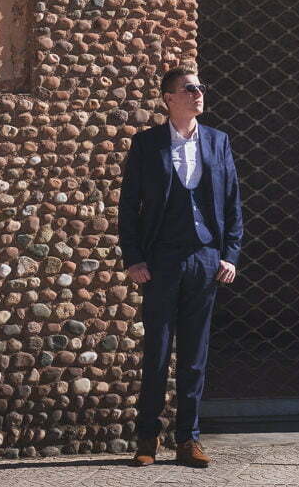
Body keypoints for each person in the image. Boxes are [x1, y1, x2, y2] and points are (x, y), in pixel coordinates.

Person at [118, 67, 243, 468]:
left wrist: (230, 255)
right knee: (157, 350)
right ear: (169, 99)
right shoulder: (146, 144)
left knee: (195, 354)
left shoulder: (218, 142)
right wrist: (134, 258)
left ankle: (188, 440)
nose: (198, 93)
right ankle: (147, 439)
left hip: (205, 257)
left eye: (201, 88)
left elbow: (232, 204)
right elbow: (128, 209)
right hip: (161, 260)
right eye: (190, 89)